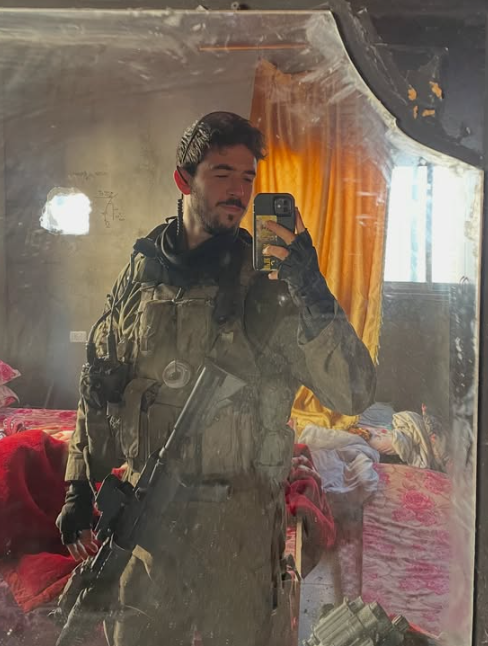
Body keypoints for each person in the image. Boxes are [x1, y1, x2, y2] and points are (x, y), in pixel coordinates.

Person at [56, 111, 376, 646]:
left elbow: (353, 391)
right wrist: (77, 484)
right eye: (223, 173)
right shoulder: (140, 277)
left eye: (248, 177)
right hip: (151, 530)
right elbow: (100, 383)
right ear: (184, 180)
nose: (240, 191)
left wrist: (313, 290)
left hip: (240, 533)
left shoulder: (270, 284)